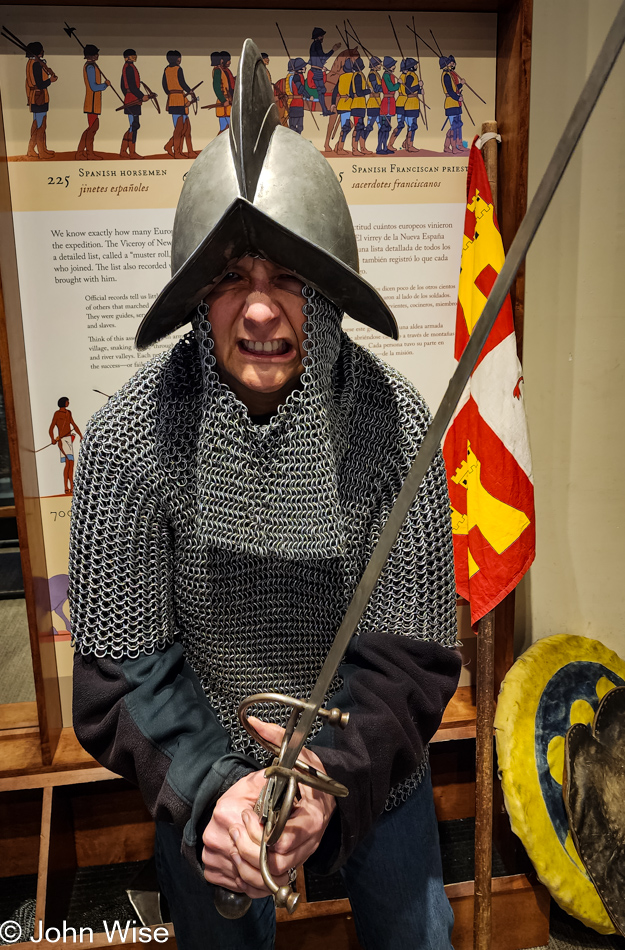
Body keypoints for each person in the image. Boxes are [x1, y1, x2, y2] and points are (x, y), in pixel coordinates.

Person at [70, 41, 460, 950]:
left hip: (368, 772)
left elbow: (411, 659)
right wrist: (217, 786)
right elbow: (119, 675)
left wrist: (328, 779)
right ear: (197, 302)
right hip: (208, 777)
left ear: (323, 294)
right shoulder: (133, 441)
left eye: (286, 275)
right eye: (230, 280)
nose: (258, 309)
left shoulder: (393, 429)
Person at [77, 44, 111, 161]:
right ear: (93, 55)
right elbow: (94, 87)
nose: (98, 55)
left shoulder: (92, 65)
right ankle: (88, 153)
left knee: (92, 127)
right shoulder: (90, 67)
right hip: (91, 101)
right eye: (96, 53)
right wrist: (105, 85)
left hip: (94, 101)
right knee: (93, 128)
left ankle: (81, 152)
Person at [25, 40, 57, 159]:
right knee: (40, 125)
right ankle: (41, 151)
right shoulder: (36, 64)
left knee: (37, 124)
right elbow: (40, 83)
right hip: (40, 96)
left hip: (35, 96)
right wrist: (50, 81)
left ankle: (34, 149)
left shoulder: (31, 63)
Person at [49, 397, 82, 495]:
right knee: (68, 464)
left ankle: (71, 486)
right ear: (64, 402)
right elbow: (51, 428)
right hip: (62, 440)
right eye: (67, 401)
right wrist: (53, 439)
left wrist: (81, 435)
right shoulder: (57, 414)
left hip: (69, 440)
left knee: (70, 464)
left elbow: (74, 425)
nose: (68, 403)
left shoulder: (69, 413)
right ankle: (67, 487)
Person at [120, 48, 148, 159]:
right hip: (132, 99)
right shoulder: (129, 68)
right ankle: (130, 152)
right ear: (127, 57)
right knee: (134, 125)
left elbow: (122, 85)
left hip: (131, 98)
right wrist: (141, 96)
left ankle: (125, 150)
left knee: (134, 125)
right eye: (132, 55)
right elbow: (131, 86)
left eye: (134, 55)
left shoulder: (128, 67)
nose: (135, 56)